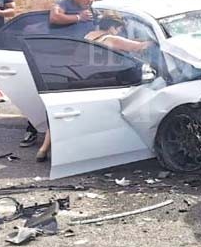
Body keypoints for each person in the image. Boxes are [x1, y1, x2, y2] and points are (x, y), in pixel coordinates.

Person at [35, 17, 153, 162]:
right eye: (119, 30)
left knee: (61, 116)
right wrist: (156, 40)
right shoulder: (110, 38)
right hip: (102, 82)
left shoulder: (88, 36)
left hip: (81, 78)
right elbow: (139, 47)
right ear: (112, 28)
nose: (119, 33)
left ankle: (44, 148)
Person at [84, 17, 154, 53]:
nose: (119, 31)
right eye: (119, 29)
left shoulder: (91, 34)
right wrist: (155, 41)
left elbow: (124, 42)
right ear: (112, 27)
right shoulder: (111, 39)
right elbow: (137, 47)